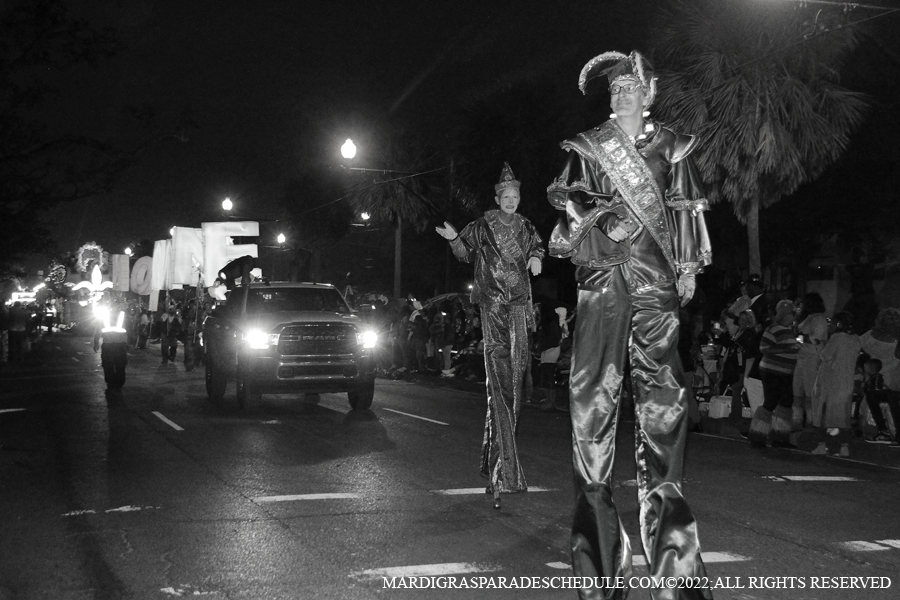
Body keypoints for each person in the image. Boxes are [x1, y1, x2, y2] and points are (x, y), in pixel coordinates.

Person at [546, 50, 712, 599]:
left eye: (629, 88)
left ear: (650, 92)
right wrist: (599, 217)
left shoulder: (675, 146)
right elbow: (567, 201)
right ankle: (598, 568)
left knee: (665, 408)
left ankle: (675, 570)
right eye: (613, 90)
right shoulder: (589, 146)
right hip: (603, 281)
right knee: (593, 403)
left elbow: (686, 208)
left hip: (656, 283)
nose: (621, 96)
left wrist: (688, 266)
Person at [436, 162, 544, 510]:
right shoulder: (482, 225)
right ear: (497, 197)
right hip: (493, 307)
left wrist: (538, 258)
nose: (510, 200)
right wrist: (454, 240)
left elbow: (539, 247)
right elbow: (467, 254)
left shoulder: (526, 226)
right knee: (499, 382)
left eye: (515, 196)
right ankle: (503, 471)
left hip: (519, 307)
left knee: (517, 380)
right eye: (505, 196)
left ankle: (501, 466)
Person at [747, 299, 801, 448]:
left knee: (786, 402)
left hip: (785, 372)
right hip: (772, 371)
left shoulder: (788, 329)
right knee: (770, 402)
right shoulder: (773, 328)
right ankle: (757, 435)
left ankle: (780, 436)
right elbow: (764, 348)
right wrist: (786, 350)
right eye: (791, 314)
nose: (794, 316)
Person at [810, 311, 860, 456]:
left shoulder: (837, 337)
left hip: (831, 382)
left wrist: (820, 345)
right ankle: (844, 447)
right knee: (843, 418)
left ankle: (821, 445)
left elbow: (826, 355)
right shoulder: (856, 339)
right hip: (847, 382)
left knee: (823, 415)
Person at [792, 293, 829, 430]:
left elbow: (816, 340)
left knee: (810, 393)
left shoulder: (819, 319)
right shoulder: (808, 318)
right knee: (797, 391)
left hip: (813, 357)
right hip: (801, 357)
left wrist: (799, 336)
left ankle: (811, 421)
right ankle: (796, 420)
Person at [99, 302, 129, 393]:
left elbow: (98, 328)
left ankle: (113, 383)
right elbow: (98, 328)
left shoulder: (105, 315)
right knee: (117, 365)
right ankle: (116, 384)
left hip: (112, 344)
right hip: (117, 345)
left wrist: (96, 341)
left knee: (111, 365)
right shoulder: (123, 315)